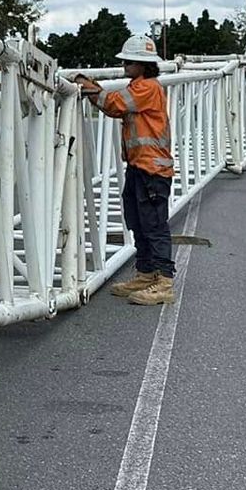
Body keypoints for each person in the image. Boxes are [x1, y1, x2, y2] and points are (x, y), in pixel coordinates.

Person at [74, 34, 175, 307]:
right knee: (138, 223)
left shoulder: (147, 88)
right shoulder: (138, 86)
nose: (125, 65)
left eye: (131, 61)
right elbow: (114, 106)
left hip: (151, 169)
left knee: (154, 226)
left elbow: (114, 104)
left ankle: (164, 282)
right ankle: (146, 273)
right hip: (140, 167)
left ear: (145, 65)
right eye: (126, 60)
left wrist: (89, 87)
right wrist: (93, 89)